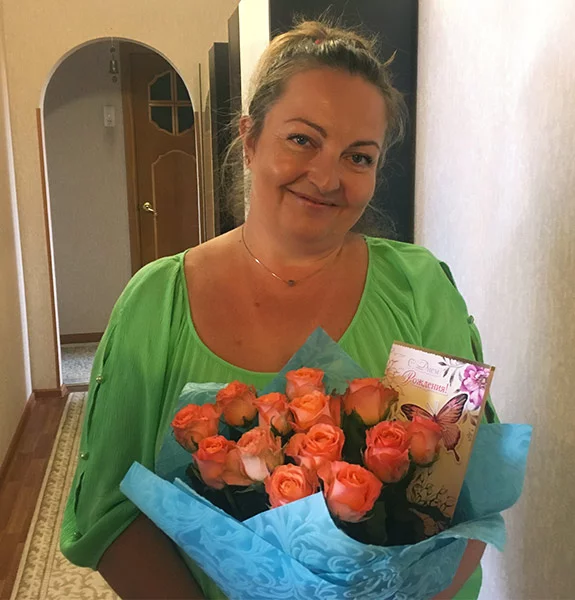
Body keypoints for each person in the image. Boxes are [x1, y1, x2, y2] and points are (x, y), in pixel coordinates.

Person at [60, 20, 496, 600]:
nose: (327, 177)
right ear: (249, 138)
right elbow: (111, 512)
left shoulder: (418, 289)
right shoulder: (156, 304)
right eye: (302, 140)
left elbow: (462, 493)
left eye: (358, 156)